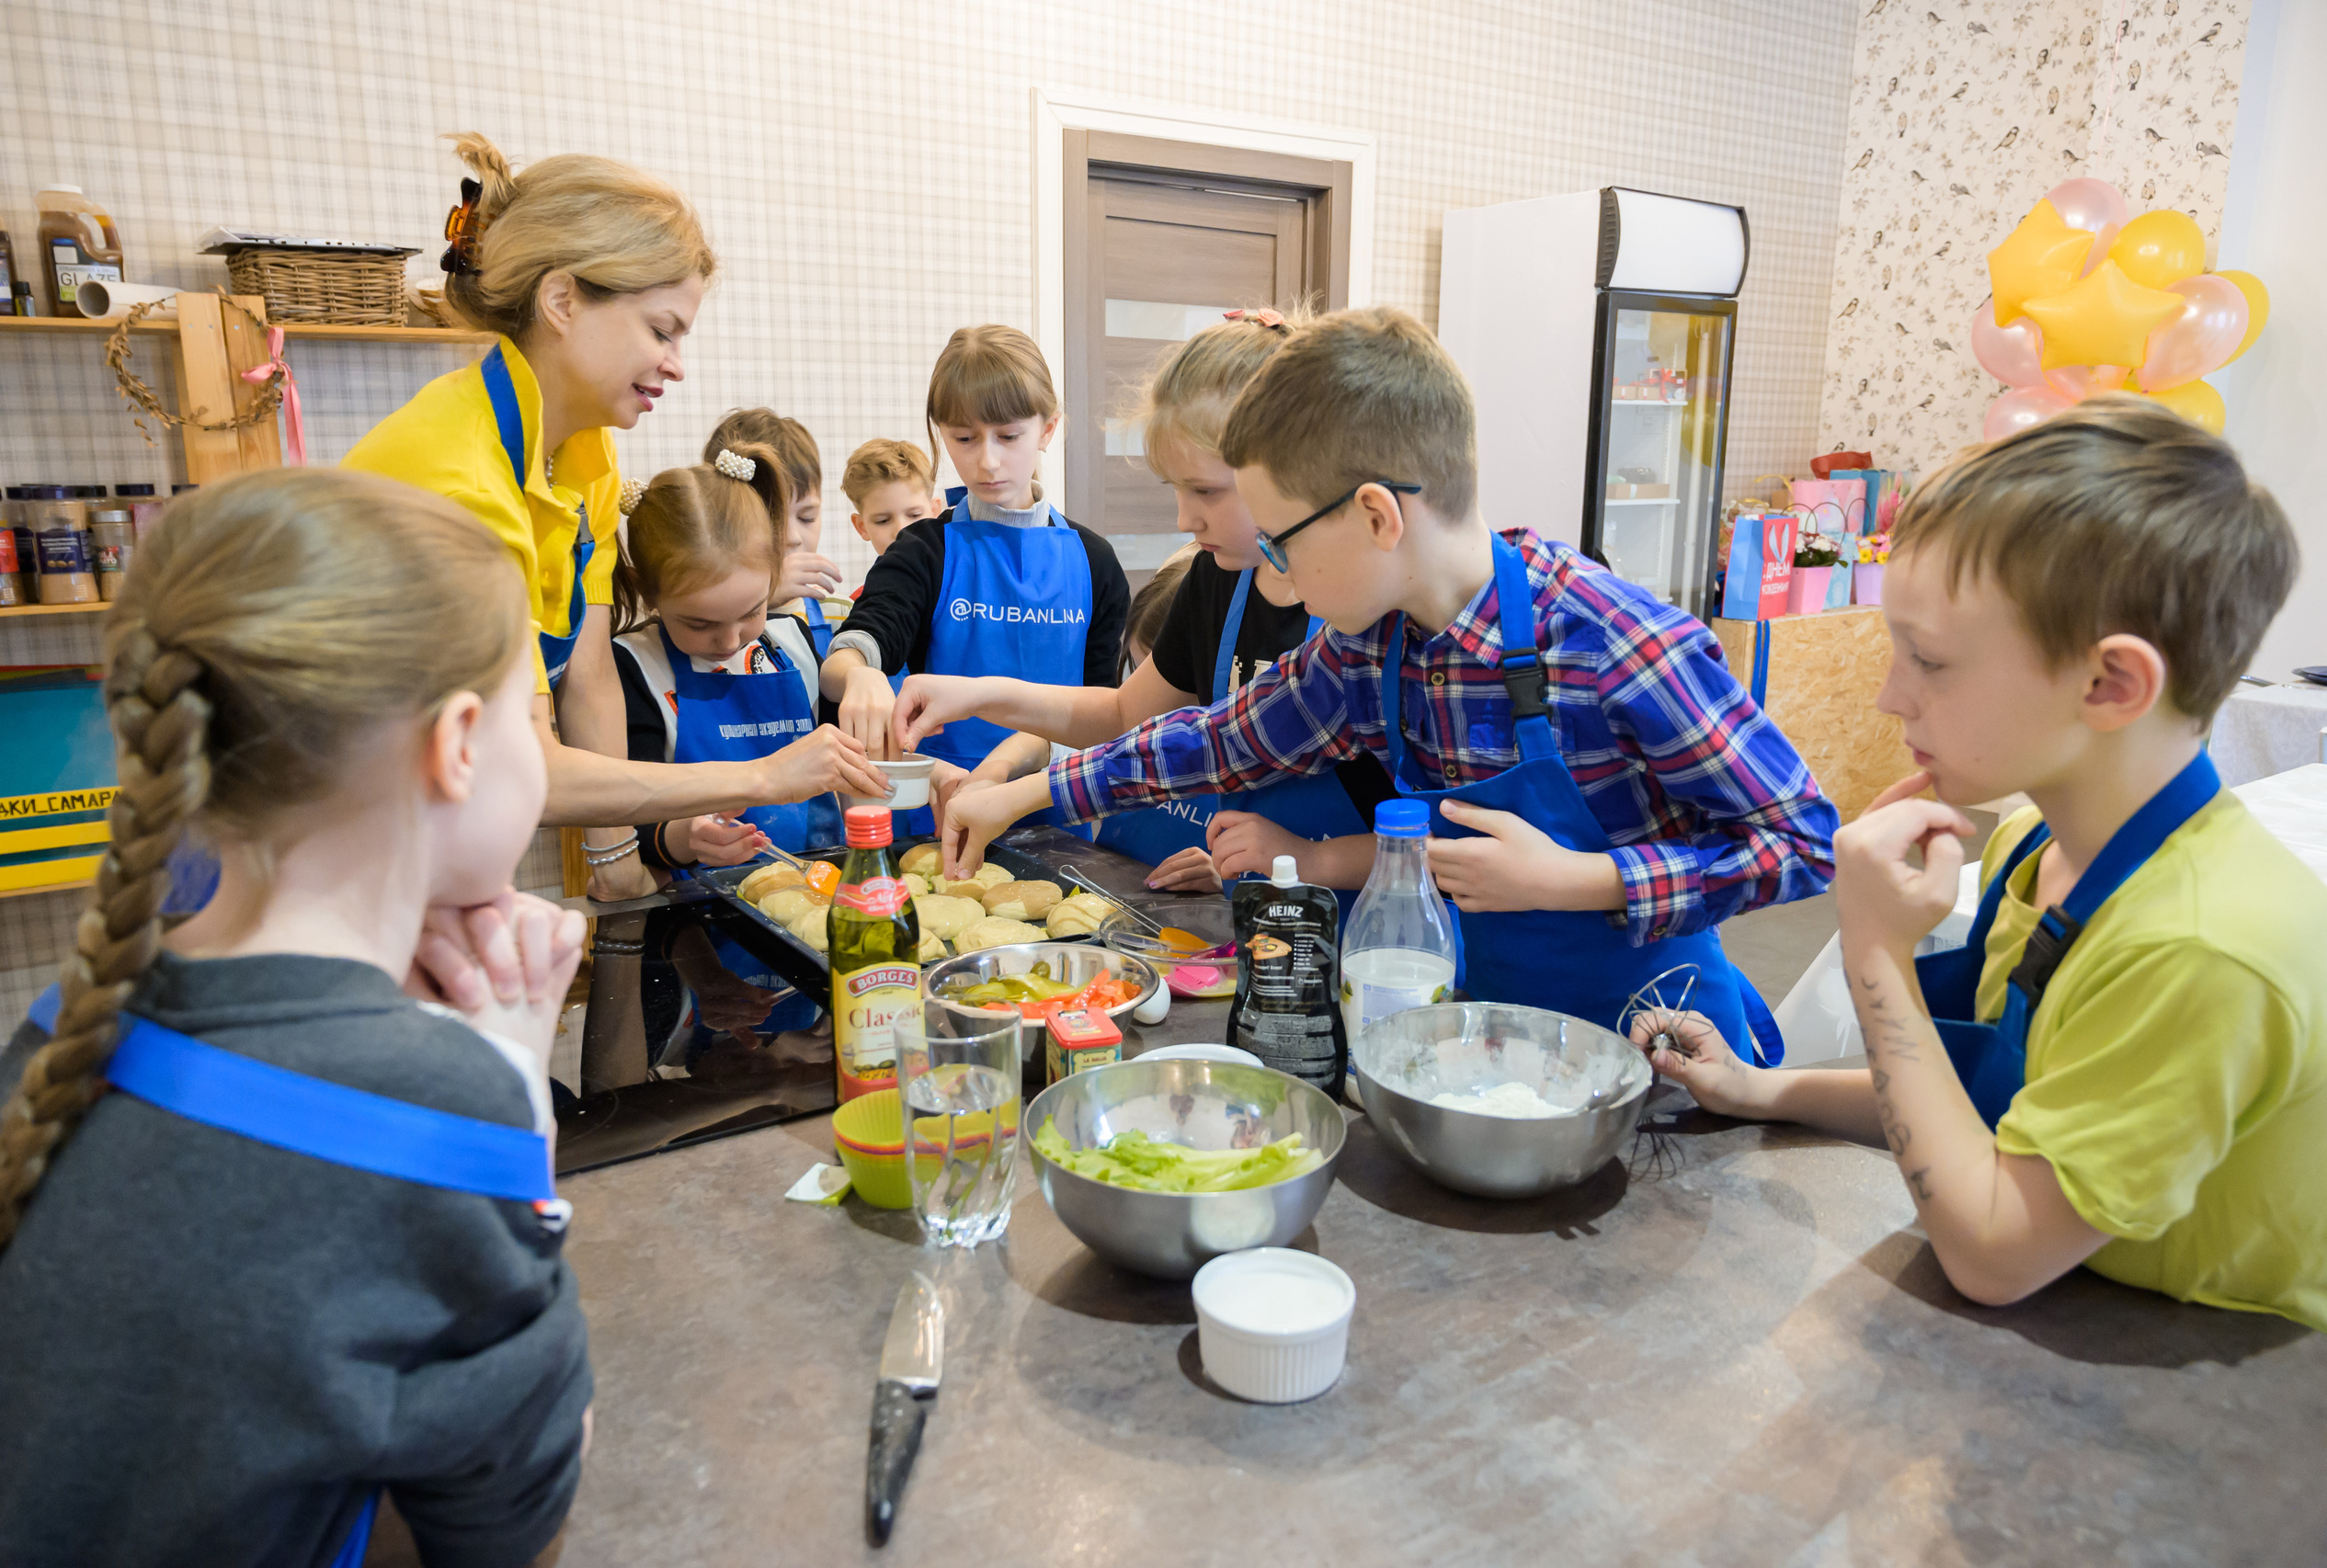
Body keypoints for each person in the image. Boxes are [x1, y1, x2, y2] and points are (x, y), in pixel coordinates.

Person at [0, 472, 593, 1565]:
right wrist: (508, 1097)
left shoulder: (62, 1028)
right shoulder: (427, 1105)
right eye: (526, 713)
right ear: (457, 743)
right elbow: (507, 1529)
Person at [940, 307, 1835, 1059]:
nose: (1273, 575)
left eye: (1283, 542)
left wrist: (1581, 878)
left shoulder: (1613, 640)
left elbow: (1804, 843)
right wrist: (1024, 794)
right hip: (1483, 1048)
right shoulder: (1372, 654)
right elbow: (1208, 738)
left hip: (1666, 1054)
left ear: (1375, 514)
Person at [1637, 399, 2325, 1328]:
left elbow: (1994, 1250)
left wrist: (1874, 955)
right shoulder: (2031, 845)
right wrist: (1763, 1089)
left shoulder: (2198, 948)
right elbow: (1994, 1105)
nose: (1887, 696)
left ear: (2109, 684)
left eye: (1927, 660)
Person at [344, 134, 882, 898]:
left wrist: (617, 866)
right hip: (345, 831)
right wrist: (761, 776)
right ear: (562, 300)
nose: (676, 363)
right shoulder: (461, 484)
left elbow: (588, 674)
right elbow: (522, 763)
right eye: (660, 330)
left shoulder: (582, 450)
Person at [895, 308, 1394, 898]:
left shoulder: (1369, 614)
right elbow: (1148, 725)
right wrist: (982, 695)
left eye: (1206, 491)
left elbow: (1441, 844)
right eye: (1176, 490)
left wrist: (1311, 858)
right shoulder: (1220, 575)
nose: (1185, 519)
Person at [821, 326, 1132, 812]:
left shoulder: (1095, 562)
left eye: (1009, 436)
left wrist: (1011, 767)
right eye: (964, 438)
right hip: (940, 806)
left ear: (1048, 429)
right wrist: (858, 673)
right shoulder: (924, 551)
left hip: (1054, 809)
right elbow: (858, 646)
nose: (987, 461)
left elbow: (1104, 714)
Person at [611, 441, 842, 871]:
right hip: (701, 915)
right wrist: (687, 838)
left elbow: (847, 755)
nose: (729, 641)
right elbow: (627, 819)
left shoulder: (794, 644)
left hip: (820, 884)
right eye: (699, 624)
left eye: (752, 611)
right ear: (646, 590)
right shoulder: (635, 666)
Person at [704, 407, 840, 663]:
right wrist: (764, 599)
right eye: (771, 520)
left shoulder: (841, 615)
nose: (792, 537)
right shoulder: (699, 623)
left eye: (807, 517)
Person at [842, 437, 940, 563]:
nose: (901, 531)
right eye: (883, 521)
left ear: (935, 512)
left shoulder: (964, 579)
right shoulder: (873, 584)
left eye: (914, 515)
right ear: (862, 527)